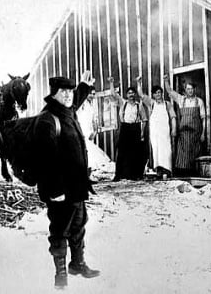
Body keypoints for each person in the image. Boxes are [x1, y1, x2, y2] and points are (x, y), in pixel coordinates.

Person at [34, 71, 100, 290]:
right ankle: (60, 275)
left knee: (79, 224)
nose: (69, 95)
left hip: (77, 185)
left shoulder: (67, 111)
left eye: (70, 91)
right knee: (60, 230)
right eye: (63, 92)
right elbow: (45, 160)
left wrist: (83, 85)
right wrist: (54, 189)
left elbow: (76, 98)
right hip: (60, 188)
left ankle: (77, 263)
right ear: (53, 94)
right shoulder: (47, 119)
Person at [163, 74, 206, 176]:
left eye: (191, 89)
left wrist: (203, 133)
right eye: (188, 89)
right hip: (183, 134)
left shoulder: (199, 101)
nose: (190, 91)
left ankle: (194, 175)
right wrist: (166, 80)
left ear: (194, 90)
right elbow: (169, 91)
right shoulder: (181, 100)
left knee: (194, 155)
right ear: (185, 90)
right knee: (183, 156)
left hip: (195, 134)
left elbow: (204, 118)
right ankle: (183, 176)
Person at [136, 75, 176, 178]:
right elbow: (141, 94)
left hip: (165, 132)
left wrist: (174, 129)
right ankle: (159, 171)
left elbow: (173, 117)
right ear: (153, 95)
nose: (158, 94)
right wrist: (139, 83)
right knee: (156, 151)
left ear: (162, 93)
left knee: (166, 151)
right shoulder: (152, 104)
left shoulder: (167, 104)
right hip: (155, 132)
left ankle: (167, 171)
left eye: (160, 92)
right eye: (156, 93)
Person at [108, 76, 148, 181]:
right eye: (129, 93)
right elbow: (113, 94)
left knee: (135, 153)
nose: (131, 95)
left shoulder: (139, 105)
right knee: (121, 152)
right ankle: (119, 175)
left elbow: (144, 119)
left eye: (133, 93)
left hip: (135, 129)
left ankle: (134, 175)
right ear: (127, 95)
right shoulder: (123, 103)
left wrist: (142, 133)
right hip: (125, 128)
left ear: (135, 95)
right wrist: (111, 83)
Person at [76, 85, 111, 169]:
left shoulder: (91, 106)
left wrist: (95, 131)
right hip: (82, 130)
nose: (92, 96)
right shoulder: (82, 105)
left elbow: (94, 119)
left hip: (89, 131)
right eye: (90, 94)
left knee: (89, 149)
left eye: (93, 94)